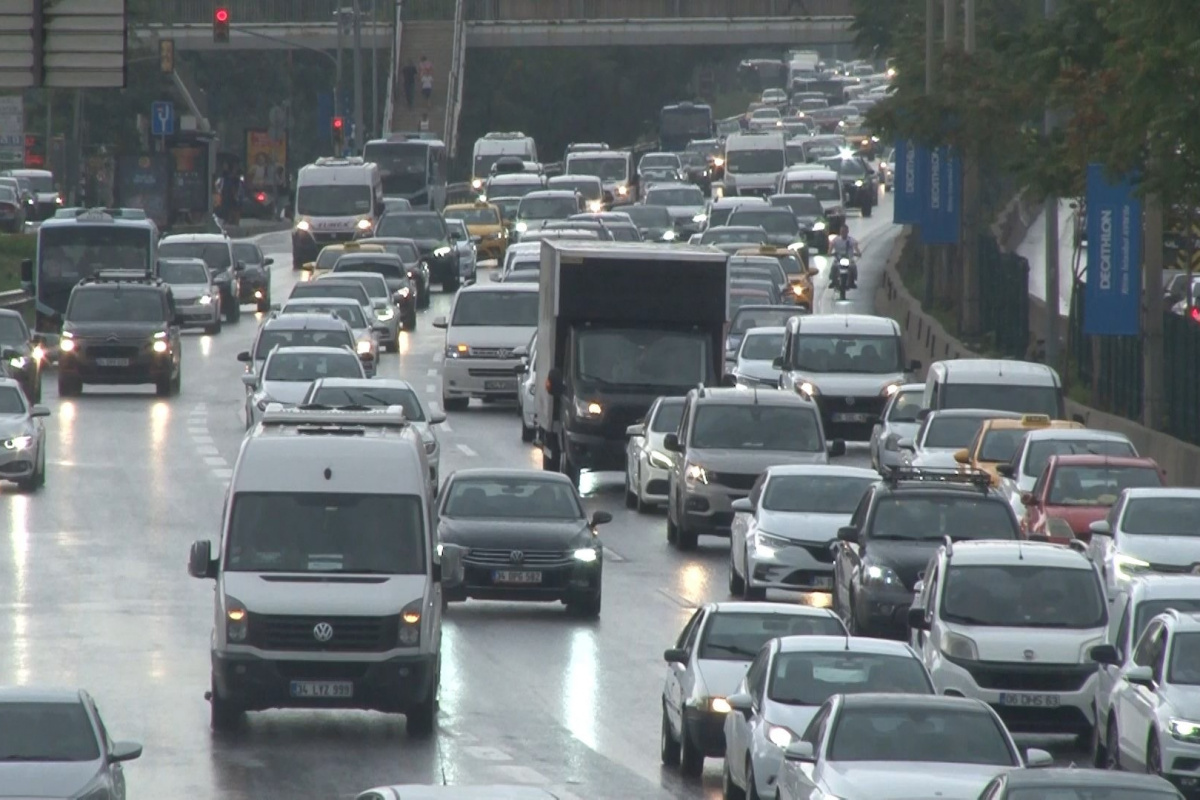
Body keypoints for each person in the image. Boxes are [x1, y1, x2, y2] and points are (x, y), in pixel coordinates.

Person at [829, 224, 861, 288]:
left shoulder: (851, 240)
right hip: (838, 259)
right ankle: (833, 281)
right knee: (834, 267)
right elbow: (830, 247)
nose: (843, 233)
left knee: (853, 267)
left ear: (847, 232)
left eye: (845, 231)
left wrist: (858, 253)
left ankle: (852, 281)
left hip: (849, 259)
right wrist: (830, 253)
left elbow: (856, 248)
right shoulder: (835, 240)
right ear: (840, 232)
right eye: (842, 231)